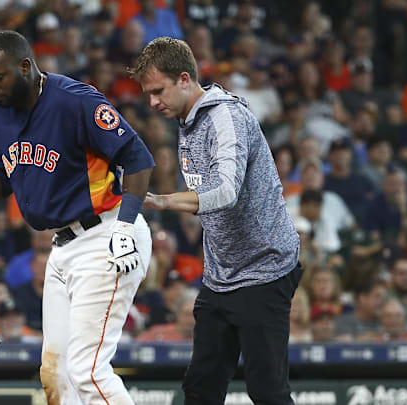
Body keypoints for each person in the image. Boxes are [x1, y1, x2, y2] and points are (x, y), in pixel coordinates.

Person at [0, 30, 155, 405]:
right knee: (56, 373)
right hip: (62, 247)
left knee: (87, 371)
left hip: (106, 233)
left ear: (25, 67)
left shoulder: (75, 101)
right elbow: (2, 183)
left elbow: (138, 158)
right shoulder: (3, 117)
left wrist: (124, 227)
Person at [129, 37, 302, 404]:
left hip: (264, 270)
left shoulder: (227, 116)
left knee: (267, 391)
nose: (152, 102)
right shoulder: (185, 119)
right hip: (221, 276)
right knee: (201, 388)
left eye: (158, 91)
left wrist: (161, 200)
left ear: (185, 79)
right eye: (147, 93)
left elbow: (225, 192)